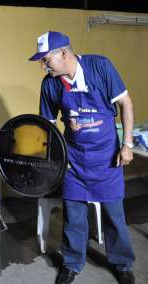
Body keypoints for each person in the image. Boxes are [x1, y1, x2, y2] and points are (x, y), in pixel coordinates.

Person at [29, 31, 135, 284]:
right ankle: (71, 264)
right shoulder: (50, 84)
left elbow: (126, 104)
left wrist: (128, 144)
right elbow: (49, 127)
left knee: (114, 215)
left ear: (63, 53)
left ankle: (122, 264)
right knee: (73, 216)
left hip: (107, 156)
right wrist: (55, 158)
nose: (43, 65)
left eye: (46, 59)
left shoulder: (100, 67)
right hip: (74, 159)